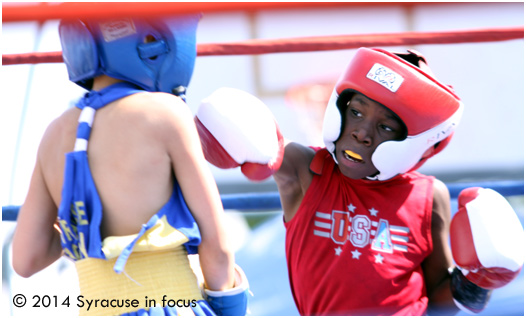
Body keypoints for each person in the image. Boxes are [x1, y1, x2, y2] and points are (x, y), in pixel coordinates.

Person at [194, 47, 524, 315]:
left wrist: (476, 286)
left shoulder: (427, 195)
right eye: (356, 111)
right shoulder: (308, 168)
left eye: (386, 127)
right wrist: (241, 136)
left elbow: (440, 297)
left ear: (417, 141)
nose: (361, 133)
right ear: (340, 107)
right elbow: (267, 152)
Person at [12, 15, 249, 316]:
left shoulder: (54, 134)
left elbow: (25, 259)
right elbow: (218, 246)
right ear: (151, 40)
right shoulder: (165, 114)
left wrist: (83, 220)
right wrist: (231, 309)